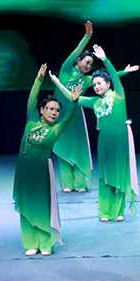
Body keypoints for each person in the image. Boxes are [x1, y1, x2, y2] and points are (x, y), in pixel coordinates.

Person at [53, 21, 137, 193]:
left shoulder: (86, 80)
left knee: (78, 146)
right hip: (58, 114)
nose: (89, 66)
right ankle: (67, 183)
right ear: (78, 60)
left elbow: (105, 79)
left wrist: (124, 72)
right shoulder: (66, 70)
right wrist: (87, 37)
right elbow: (75, 51)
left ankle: (80, 183)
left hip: (75, 115)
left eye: (91, 64)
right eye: (87, 62)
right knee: (62, 145)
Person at [13, 64, 82, 256]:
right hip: (23, 172)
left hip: (41, 173)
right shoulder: (32, 121)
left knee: (42, 206)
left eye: (57, 110)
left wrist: (74, 102)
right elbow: (32, 99)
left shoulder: (56, 129)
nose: (54, 113)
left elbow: (68, 117)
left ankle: (45, 243)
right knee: (27, 204)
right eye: (50, 109)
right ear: (42, 110)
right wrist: (39, 79)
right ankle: (31, 243)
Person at [77, 45, 138, 222]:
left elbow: (114, 76)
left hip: (121, 141)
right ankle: (104, 211)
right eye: (94, 84)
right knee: (104, 176)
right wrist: (58, 85)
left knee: (119, 174)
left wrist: (104, 59)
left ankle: (118, 211)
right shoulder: (94, 102)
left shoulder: (118, 95)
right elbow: (75, 98)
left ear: (108, 83)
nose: (96, 87)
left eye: (99, 83)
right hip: (104, 142)